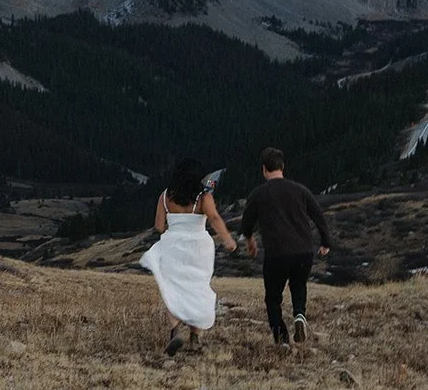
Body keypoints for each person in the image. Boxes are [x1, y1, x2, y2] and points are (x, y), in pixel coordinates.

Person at [139, 158, 237, 356]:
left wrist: (175, 227)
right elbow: (214, 218)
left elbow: (159, 226)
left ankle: (175, 331)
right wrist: (228, 239)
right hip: (198, 247)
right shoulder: (203, 197)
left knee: (173, 289)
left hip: (173, 245)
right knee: (197, 288)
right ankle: (195, 338)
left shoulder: (165, 196)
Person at [238, 147, 331, 348]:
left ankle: (282, 341)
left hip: (277, 253)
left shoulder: (258, 194)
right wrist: (325, 242)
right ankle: (299, 315)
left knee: (273, 298)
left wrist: (249, 240)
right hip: (304, 251)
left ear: (264, 169)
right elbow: (318, 216)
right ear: (283, 167)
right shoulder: (301, 190)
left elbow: (247, 221)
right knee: (298, 285)